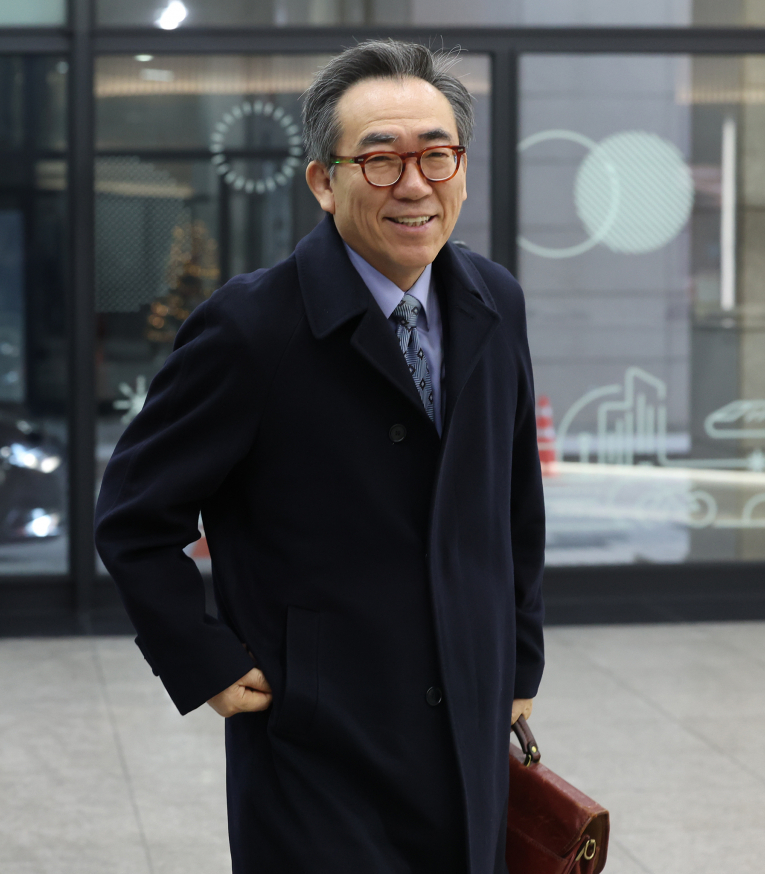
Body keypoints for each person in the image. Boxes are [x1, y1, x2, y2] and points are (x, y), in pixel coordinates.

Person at [95, 40, 546, 873]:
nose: (414, 184)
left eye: (436, 155)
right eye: (379, 160)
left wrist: (518, 656)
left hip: (469, 715)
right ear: (321, 180)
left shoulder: (494, 302)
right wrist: (205, 661)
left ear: (463, 169)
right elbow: (132, 517)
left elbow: (514, 498)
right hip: (320, 743)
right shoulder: (251, 327)